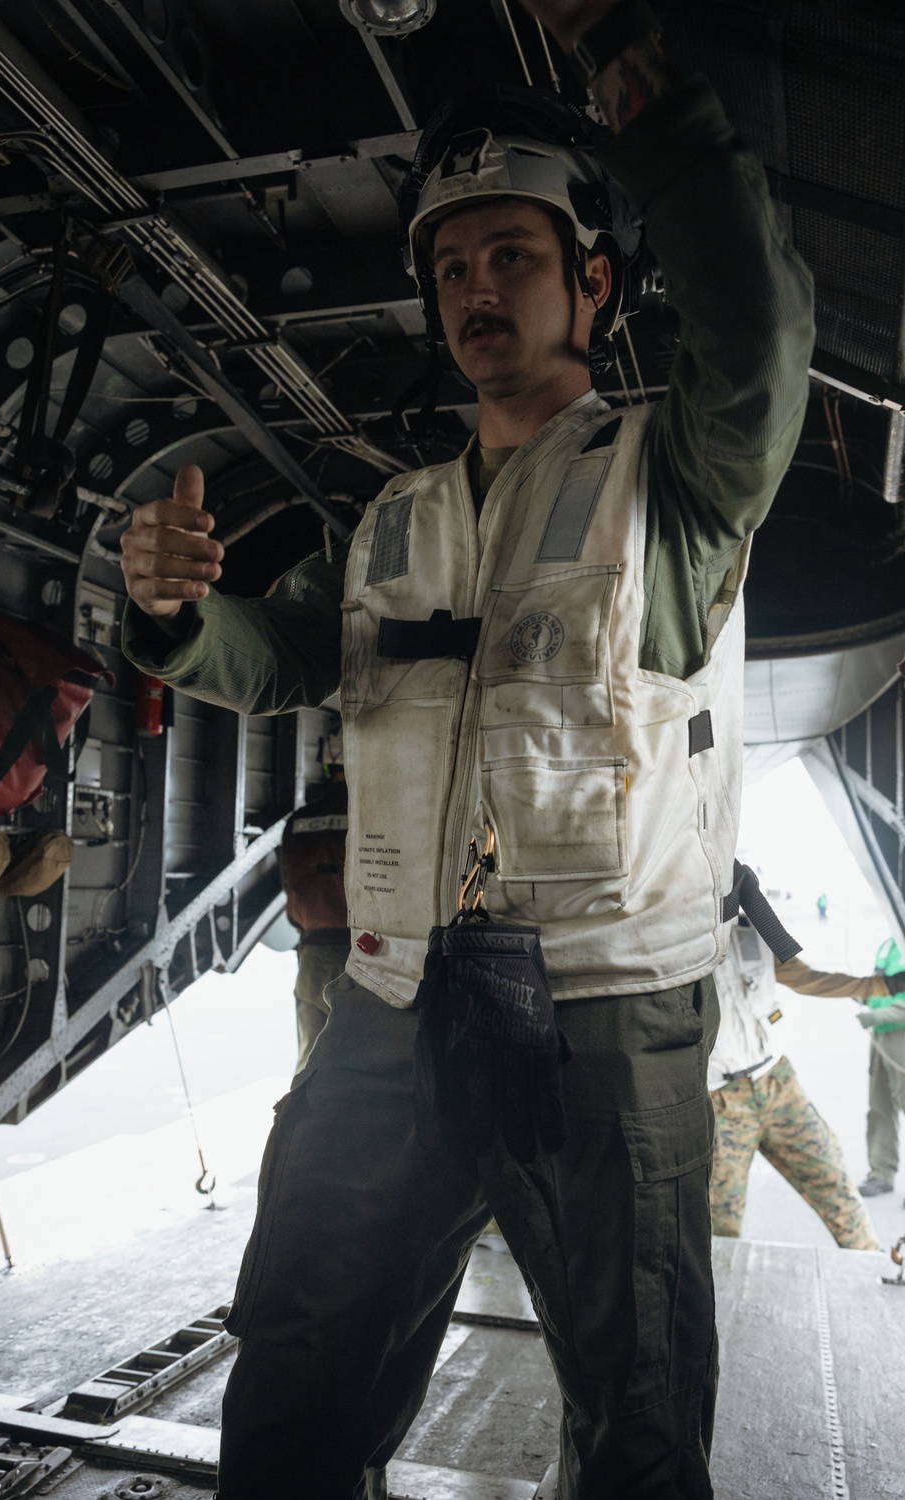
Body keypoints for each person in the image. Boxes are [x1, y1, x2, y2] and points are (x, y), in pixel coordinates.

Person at [120, 1, 814, 1492]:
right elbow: (274, 654)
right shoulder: (393, 521)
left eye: (512, 256)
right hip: (391, 999)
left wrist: (632, 73)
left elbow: (756, 317)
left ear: (596, 283)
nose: (474, 288)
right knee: (299, 1361)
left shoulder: (677, 482)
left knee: (634, 1421)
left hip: (608, 1017)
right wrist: (175, 616)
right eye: (450, 267)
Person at [710, 917, 887, 1250]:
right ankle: (714, 1295)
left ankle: (872, 1267)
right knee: (718, 1219)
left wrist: (882, 986)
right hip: (719, 1100)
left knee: (833, 1181)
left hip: (777, 1083)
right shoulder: (676, 939)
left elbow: (808, 979)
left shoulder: (752, 931)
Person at [278, 730, 351, 1075]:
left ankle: (298, 1126)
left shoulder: (298, 822)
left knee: (309, 1064)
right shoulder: (376, 816)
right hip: (366, 955)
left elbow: (290, 883)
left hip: (314, 959)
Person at [857, 937, 905, 1199]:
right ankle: (881, 1173)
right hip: (881, 1038)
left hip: (900, 1033)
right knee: (880, 1108)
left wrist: (876, 1015)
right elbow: (878, 982)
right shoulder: (890, 942)